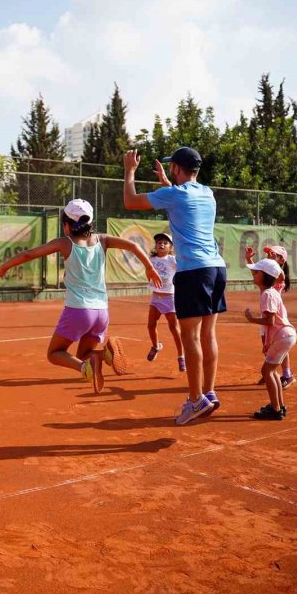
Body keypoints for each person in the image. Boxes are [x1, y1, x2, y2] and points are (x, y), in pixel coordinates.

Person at [0, 199, 162, 394]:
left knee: (54, 353)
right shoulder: (102, 240)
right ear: (90, 223)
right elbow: (133, 246)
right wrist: (149, 268)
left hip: (78, 310)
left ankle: (84, 369)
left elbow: (29, 254)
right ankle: (104, 354)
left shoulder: (65, 243)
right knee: (84, 353)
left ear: (66, 225)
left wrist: (4, 267)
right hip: (102, 312)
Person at [123, 147, 227, 425]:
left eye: (172, 166)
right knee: (209, 334)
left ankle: (195, 401)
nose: (170, 169)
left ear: (177, 168)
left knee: (191, 337)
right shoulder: (207, 193)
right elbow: (182, 200)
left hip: (194, 271)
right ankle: (209, 393)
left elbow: (131, 201)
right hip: (217, 268)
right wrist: (166, 184)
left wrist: (130, 170)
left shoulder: (175, 195)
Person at [243, 258, 297, 420]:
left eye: (257, 272)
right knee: (270, 371)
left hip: (283, 336)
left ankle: (275, 409)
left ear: (265, 276)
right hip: (285, 336)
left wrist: (251, 319)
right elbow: (271, 325)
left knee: (267, 372)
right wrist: (267, 343)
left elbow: (270, 321)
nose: (253, 273)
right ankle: (279, 406)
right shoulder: (269, 291)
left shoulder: (267, 294)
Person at [245, 244, 295, 388]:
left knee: (279, 344)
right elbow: (256, 273)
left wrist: (273, 264)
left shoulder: (278, 277)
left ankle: (287, 375)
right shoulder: (267, 274)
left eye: (274, 254)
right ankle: (270, 373)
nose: (270, 255)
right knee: (267, 345)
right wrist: (249, 259)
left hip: (276, 316)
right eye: (269, 253)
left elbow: (279, 275)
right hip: (266, 312)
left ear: (281, 261)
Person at [146, 233, 185, 372]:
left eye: (165, 243)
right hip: (156, 297)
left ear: (171, 247)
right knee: (151, 325)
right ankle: (156, 346)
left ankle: (181, 356)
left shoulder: (173, 260)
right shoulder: (152, 259)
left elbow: (183, 268)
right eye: (159, 242)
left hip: (170, 298)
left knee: (174, 328)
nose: (161, 244)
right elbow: (148, 271)